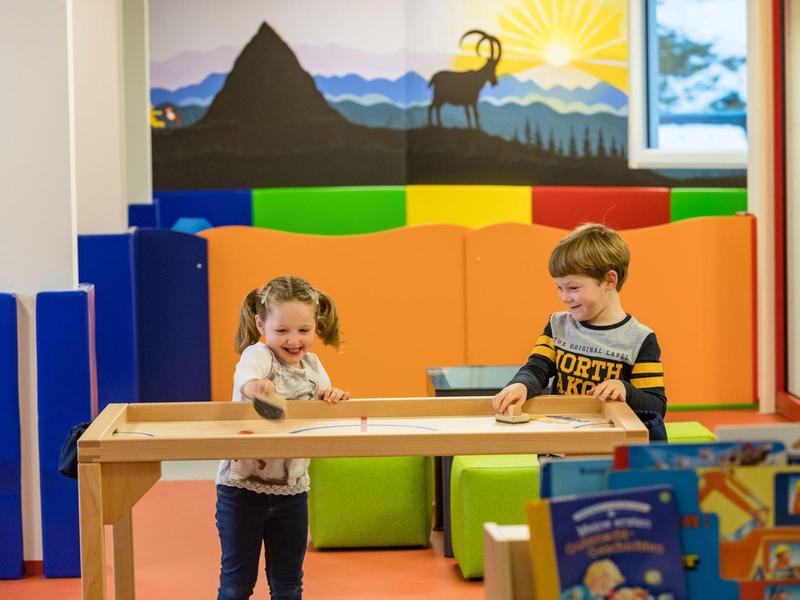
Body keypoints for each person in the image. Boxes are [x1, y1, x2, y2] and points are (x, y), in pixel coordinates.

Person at [215, 275, 349, 600]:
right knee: (236, 584)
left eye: (304, 331)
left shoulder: (314, 365)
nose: (294, 340)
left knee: (288, 586)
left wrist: (332, 394)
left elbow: (321, 402)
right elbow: (246, 376)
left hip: (292, 492)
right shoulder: (258, 356)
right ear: (261, 325)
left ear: (315, 326)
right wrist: (256, 388)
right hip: (241, 490)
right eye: (282, 331)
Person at [492, 224, 667, 435]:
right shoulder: (558, 326)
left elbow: (657, 405)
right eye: (559, 288)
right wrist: (520, 385)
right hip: (561, 443)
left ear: (609, 280)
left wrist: (624, 389)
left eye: (573, 288)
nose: (564, 297)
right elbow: (536, 369)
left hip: (611, 450)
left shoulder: (639, 339)